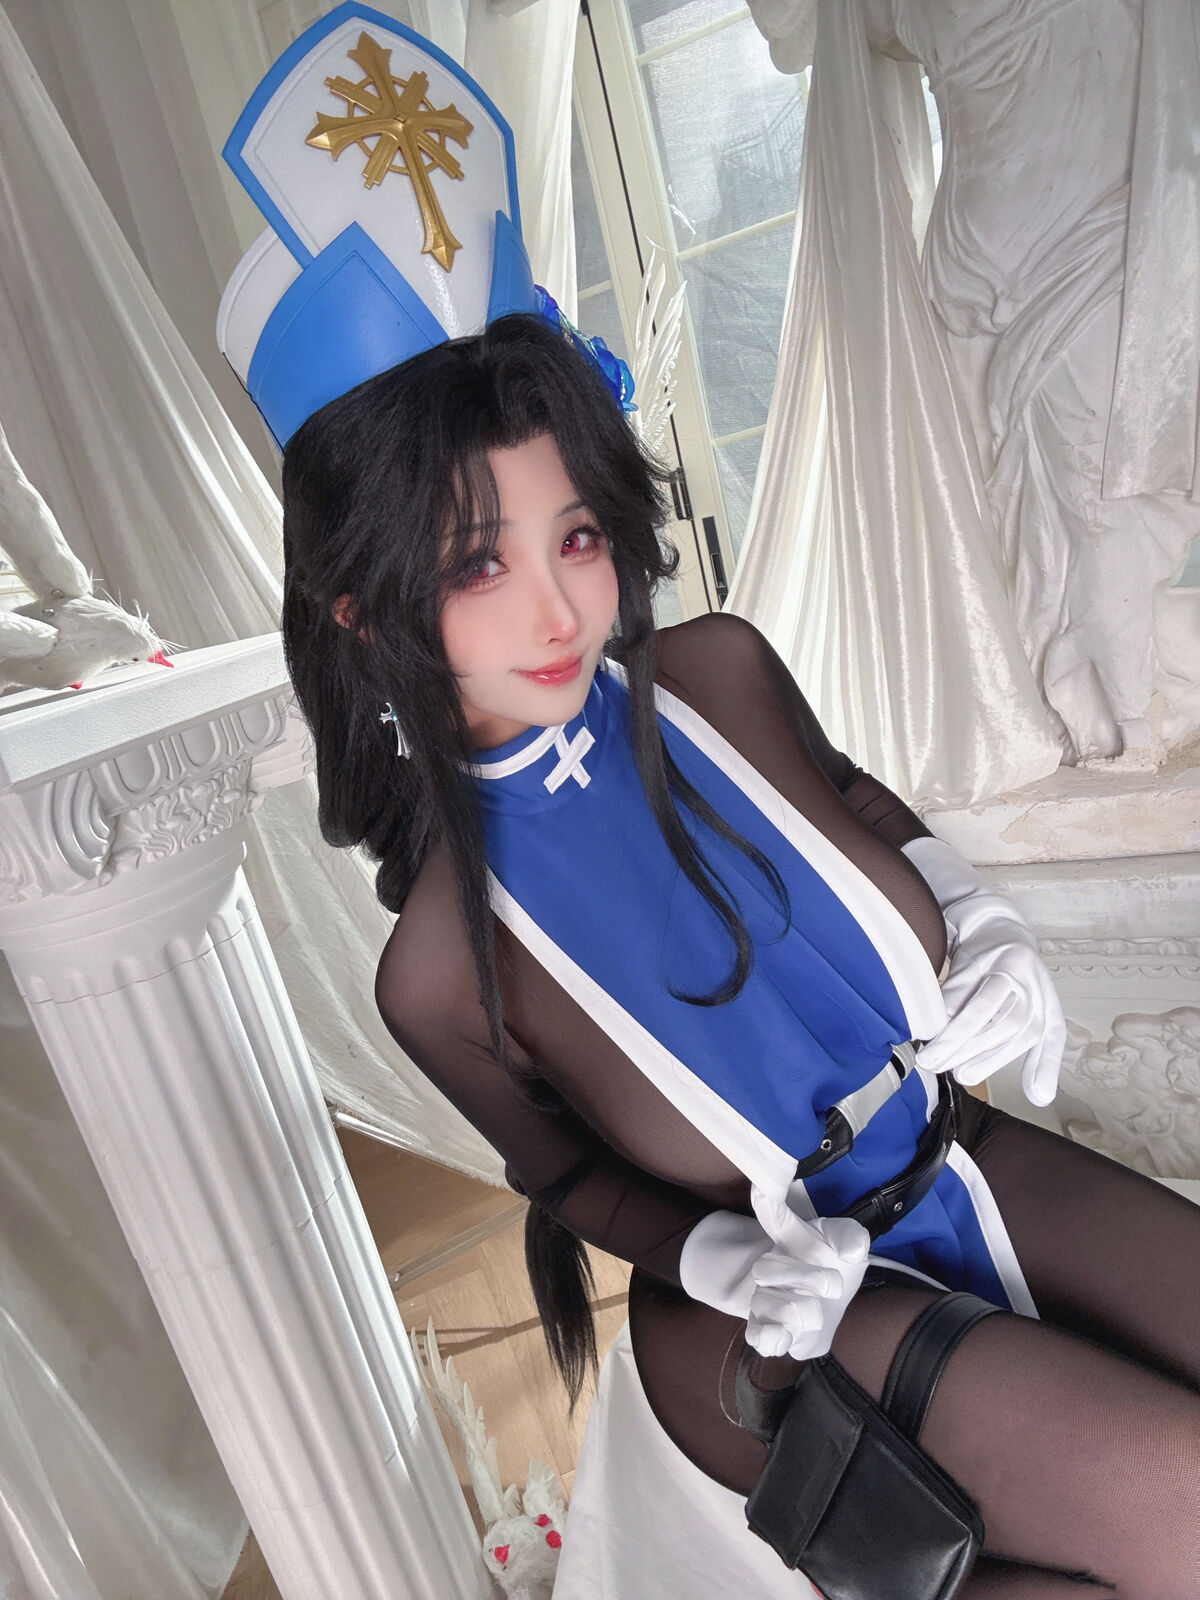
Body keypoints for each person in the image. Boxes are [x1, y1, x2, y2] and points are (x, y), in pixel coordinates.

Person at [222, 13, 1200, 1596]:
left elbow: (857, 797)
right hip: (768, 1318)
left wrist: (979, 911)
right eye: (477, 562)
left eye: (575, 535)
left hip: (953, 1157)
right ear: (366, 606)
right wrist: (715, 1254)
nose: (559, 604)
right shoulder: (440, 964)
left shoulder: (716, 676)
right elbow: (559, 1173)